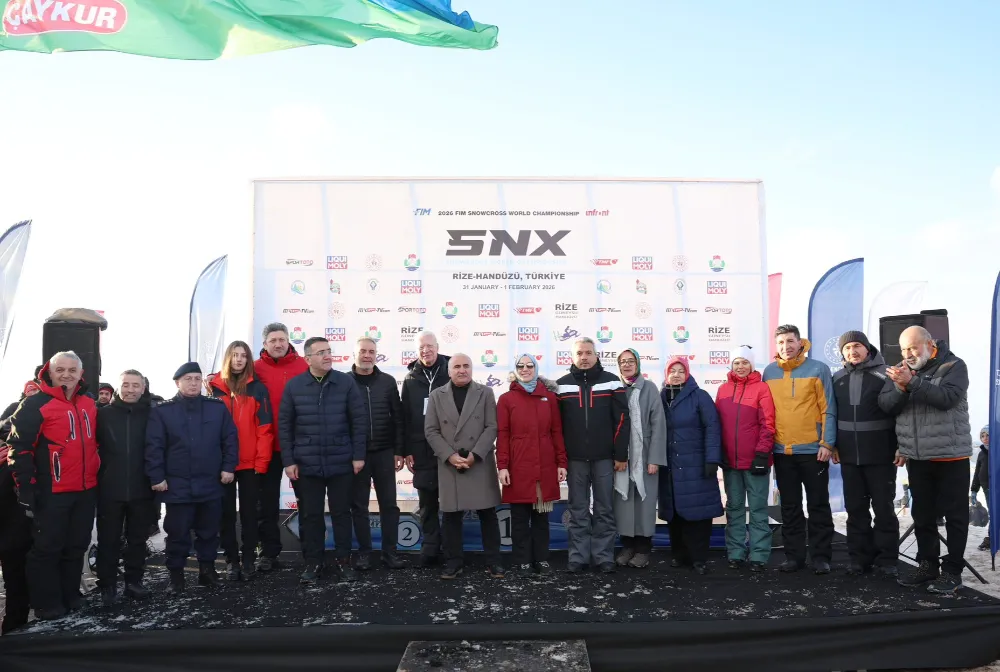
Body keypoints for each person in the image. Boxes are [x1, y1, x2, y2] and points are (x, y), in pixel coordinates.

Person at [880, 326, 972, 593]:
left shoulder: (954, 366)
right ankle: (927, 565)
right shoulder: (901, 371)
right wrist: (901, 388)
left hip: (951, 455)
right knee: (922, 515)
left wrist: (912, 383)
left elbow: (947, 399)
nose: (908, 354)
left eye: (913, 347)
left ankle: (953, 571)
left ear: (930, 344)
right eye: (904, 349)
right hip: (918, 457)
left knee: (955, 517)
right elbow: (886, 405)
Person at [8, 352, 99, 620]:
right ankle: (46, 603)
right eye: (61, 370)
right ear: (50, 372)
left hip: (85, 489)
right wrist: (26, 488)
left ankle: (70, 594)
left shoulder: (89, 403)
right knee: (47, 549)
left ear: (80, 374)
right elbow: (19, 448)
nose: (66, 375)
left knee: (76, 545)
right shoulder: (35, 404)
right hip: (52, 491)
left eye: (72, 370)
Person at [146, 362, 239, 594]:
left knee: (209, 532)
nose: (193, 383)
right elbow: (154, 447)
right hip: (177, 485)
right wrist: (157, 477)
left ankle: (207, 572)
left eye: (197, 378)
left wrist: (228, 468)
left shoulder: (216, 408)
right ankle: (176, 577)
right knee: (177, 533)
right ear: (177, 382)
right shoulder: (162, 411)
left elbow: (230, 440)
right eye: (188, 379)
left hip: (211, 482)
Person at [280, 336, 367, 584]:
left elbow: (359, 421)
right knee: (311, 516)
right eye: (321, 353)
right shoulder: (294, 386)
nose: (328, 356)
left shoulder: (346, 382)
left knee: (342, 514)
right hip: (306, 464)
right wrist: (289, 460)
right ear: (308, 359)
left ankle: (343, 561)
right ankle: (313, 563)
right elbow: (285, 426)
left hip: (342, 461)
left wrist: (358, 455)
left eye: (329, 351)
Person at [761, 324, 836, 574]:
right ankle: (794, 557)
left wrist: (827, 442)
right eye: (781, 342)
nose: (786, 347)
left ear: (800, 342)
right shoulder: (769, 372)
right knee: (790, 508)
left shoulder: (818, 369)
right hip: (782, 453)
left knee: (818, 505)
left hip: (814, 451)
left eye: (790, 341)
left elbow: (828, 408)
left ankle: (821, 557)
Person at [424, 353, 503, 579]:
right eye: (457, 366)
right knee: (451, 516)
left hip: (479, 462)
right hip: (450, 463)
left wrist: (475, 455)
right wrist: (449, 455)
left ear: (472, 368)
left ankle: (493, 561)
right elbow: (431, 430)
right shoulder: (436, 395)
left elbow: (491, 427)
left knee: (488, 514)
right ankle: (453, 562)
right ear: (449, 371)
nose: (462, 370)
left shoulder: (485, 392)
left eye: (466, 365)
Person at [556, 337, 630, 574]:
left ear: (597, 355)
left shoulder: (612, 382)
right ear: (572, 357)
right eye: (580, 353)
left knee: (604, 509)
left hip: (604, 458)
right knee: (577, 509)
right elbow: (556, 427)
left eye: (588, 352)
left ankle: (603, 557)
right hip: (575, 460)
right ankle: (578, 557)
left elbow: (622, 420)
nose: (584, 357)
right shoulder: (561, 385)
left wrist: (620, 455)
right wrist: (560, 459)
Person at [831, 331, 899, 577]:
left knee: (884, 509)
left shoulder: (887, 374)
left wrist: (901, 446)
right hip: (849, 456)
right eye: (847, 348)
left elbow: (899, 413)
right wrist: (832, 444)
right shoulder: (837, 378)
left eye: (857, 346)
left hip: (881, 455)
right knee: (856, 510)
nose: (852, 351)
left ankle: (887, 560)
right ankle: (859, 559)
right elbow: (831, 414)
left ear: (867, 348)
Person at [496, 354, 568, 575]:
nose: (525, 369)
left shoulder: (550, 398)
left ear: (536, 368)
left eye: (529, 365)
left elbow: (556, 432)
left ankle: (541, 559)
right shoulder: (506, 399)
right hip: (518, 466)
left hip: (545, 466)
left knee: (541, 518)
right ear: (515, 369)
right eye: (520, 366)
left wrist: (561, 462)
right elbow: (503, 434)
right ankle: (523, 561)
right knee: (519, 518)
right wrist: (502, 466)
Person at [209, 341, 274, 582]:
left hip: (249, 464)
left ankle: (248, 559)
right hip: (222, 465)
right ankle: (231, 561)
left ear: (248, 360)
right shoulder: (213, 388)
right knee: (225, 515)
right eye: (235, 355)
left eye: (243, 355)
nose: (239, 359)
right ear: (228, 357)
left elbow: (265, 428)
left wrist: (261, 462)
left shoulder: (257, 389)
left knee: (249, 514)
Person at [95, 370, 156, 605]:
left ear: (143, 388)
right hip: (110, 488)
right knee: (108, 540)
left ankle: (134, 582)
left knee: (137, 540)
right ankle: (107, 586)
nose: (131, 389)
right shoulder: (103, 414)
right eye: (126, 385)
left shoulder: (152, 414)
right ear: (118, 388)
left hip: (142, 488)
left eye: (136, 385)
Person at [659, 357, 723, 574]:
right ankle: (679, 555)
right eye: (672, 371)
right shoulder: (660, 397)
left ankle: (698, 558)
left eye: (681, 371)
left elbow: (712, 427)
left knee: (698, 513)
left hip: (695, 464)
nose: (676, 375)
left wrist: (712, 459)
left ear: (687, 374)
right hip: (669, 466)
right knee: (674, 512)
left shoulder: (700, 396)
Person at [253, 322, 309, 571]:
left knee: (307, 501)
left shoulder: (304, 365)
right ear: (265, 344)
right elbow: (230, 379)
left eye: (282, 339)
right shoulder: (254, 368)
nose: (278, 344)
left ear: (289, 341)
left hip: (299, 446)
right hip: (266, 447)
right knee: (265, 505)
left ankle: (311, 553)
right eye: (273, 340)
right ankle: (268, 553)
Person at [715, 345, 775, 572]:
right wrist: (719, 452)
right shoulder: (723, 389)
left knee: (758, 509)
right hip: (731, 462)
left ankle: (759, 554)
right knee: (734, 508)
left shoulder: (762, 388)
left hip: (755, 461)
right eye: (736, 363)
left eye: (745, 362)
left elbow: (768, 423)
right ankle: (736, 553)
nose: (740, 367)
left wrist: (762, 453)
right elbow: (717, 424)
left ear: (752, 365)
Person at [348, 337, 406, 571]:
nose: (367, 355)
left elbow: (398, 418)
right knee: (359, 506)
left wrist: (399, 450)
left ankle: (389, 553)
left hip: (384, 452)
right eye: (363, 351)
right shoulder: (344, 382)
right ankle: (364, 553)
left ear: (376, 354)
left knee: (389, 505)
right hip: (357, 456)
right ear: (354, 354)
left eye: (371, 351)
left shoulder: (388, 381)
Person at [612, 349, 667, 569]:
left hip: (645, 456)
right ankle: (627, 546)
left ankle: (643, 548)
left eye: (630, 361)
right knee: (623, 503)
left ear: (638, 364)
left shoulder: (649, 388)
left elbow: (658, 425)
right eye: (622, 362)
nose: (626, 365)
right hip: (621, 456)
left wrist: (654, 459)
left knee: (645, 503)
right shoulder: (615, 389)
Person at [400, 331, 451, 566]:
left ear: (437, 347)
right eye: (421, 347)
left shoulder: (451, 371)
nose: (425, 350)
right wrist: (406, 449)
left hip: (449, 448)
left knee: (451, 502)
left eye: (429, 346)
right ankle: (430, 548)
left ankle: (452, 549)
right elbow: (406, 417)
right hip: (422, 449)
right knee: (427, 502)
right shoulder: (410, 378)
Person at [0, 441, 31, 633]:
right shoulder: (10, 463)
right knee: (18, 593)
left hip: (15, 538)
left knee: (17, 594)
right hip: (16, 539)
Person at [972, 425, 990, 551]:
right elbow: (977, 473)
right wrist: (974, 489)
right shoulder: (981, 453)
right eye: (982, 436)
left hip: (997, 488)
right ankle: (992, 537)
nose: (985, 438)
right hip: (987, 489)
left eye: (988, 435)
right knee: (993, 514)